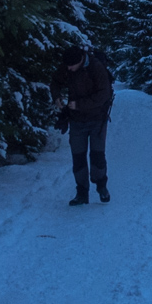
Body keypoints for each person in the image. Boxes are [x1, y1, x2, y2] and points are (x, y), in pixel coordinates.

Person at [49, 46, 114, 206]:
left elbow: (103, 94)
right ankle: (82, 193)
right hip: (76, 120)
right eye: (67, 66)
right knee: (78, 157)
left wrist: (79, 105)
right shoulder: (68, 65)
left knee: (97, 155)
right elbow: (55, 82)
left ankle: (101, 186)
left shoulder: (96, 68)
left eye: (71, 66)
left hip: (97, 119)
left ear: (80, 61)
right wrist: (57, 97)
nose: (68, 69)